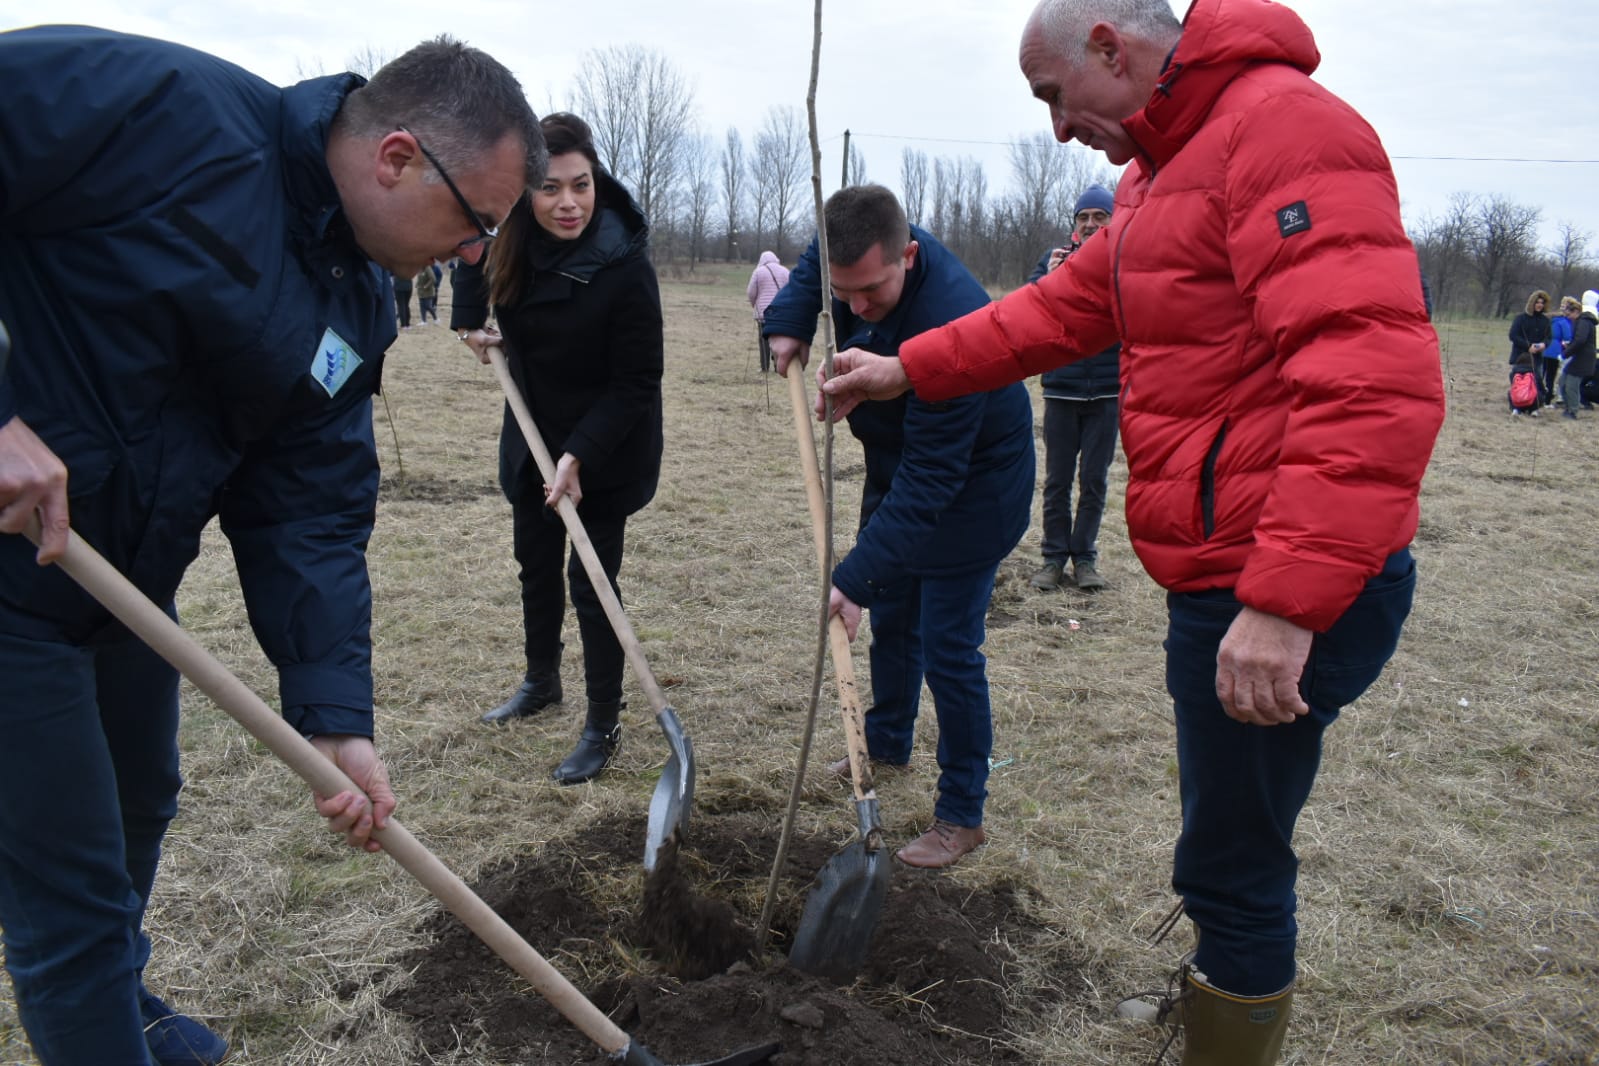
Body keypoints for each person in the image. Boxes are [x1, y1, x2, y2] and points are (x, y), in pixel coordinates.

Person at [818, 0, 1444, 1059]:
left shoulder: (1283, 133)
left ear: (1113, 45)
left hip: (1273, 582)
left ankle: (1225, 1020)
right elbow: (1059, 311)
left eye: (1056, 97)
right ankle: (1218, 994)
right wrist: (905, 364)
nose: (1059, 130)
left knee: (1232, 861)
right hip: (1226, 574)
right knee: (1225, 841)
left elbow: (1369, 381)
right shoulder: (1162, 174)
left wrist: (1284, 603)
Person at [0, 26, 542, 1066]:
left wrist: (333, 713)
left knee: (139, 800)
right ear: (397, 157)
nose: (475, 255)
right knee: (67, 890)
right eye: (476, 222)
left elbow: (312, 508)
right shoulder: (156, 111)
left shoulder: (353, 298)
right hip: (10, 576)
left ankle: (124, 997)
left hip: (119, 585)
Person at [762, 185, 1034, 868]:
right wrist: (788, 322)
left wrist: (852, 579)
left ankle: (961, 812)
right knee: (895, 617)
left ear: (908, 257)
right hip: (896, 462)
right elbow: (810, 262)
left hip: (972, 488)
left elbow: (931, 484)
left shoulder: (952, 320)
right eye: (841, 294)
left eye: (870, 293)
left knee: (947, 647)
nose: (854, 310)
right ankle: (885, 740)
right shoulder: (859, 249)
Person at [454, 113, 664, 787]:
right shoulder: (509, 236)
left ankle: (602, 720)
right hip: (532, 430)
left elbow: (637, 382)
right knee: (535, 564)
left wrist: (579, 454)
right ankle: (540, 681)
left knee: (592, 583)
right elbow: (468, 259)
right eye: (549, 188)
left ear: (595, 179)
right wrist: (471, 325)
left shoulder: (624, 265)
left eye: (580, 185)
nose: (567, 202)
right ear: (526, 192)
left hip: (605, 442)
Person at [1027, 183, 1119, 593]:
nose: (1090, 224)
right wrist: (1051, 279)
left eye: (1100, 217)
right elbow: (1028, 311)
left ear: (1113, 223)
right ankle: (1051, 558)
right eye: (1084, 217)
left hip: (1107, 391)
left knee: (1095, 481)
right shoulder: (1052, 262)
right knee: (1057, 481)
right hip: (1061, 389)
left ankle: (1085, 559)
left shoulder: (1124, 261)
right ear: (1074, 226)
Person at [746, 250, 792, 372]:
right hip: (782, 312)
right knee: (779, 339)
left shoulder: (758, 272)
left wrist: (754, 304)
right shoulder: (785, 271)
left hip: (763, 312)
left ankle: (764, 367)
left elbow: (751, 292)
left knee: (764, 340)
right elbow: (792, 290)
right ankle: (779, 366)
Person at [1558, 290, 1598, 420]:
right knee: (1563, 382)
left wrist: (1565, 354)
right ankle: (1568, 407)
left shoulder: (1584, 321)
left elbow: (1580, 341)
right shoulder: (1580, 321)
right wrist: (1569, 345)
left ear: (1575, 311)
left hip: (1583, 360)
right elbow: (1579, 340)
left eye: (1568, 314)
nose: (1567, 316)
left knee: (1571, 385)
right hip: (1577, 358)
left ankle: (1573, 411)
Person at [1509, 290, 1551, 396]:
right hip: (1520, 355)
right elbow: (1513, 335)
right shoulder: (1521, 318)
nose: (1540, 305)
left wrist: (1544, 344)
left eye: (1542, 303)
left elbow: (1549, 337)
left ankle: (1535, 402)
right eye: (1537, 302)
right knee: (1518, 379)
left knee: (1536, 379)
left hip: (1537, 356)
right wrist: (1528, 346)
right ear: (1532, 303)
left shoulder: (1545, 321)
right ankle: (1518, 401)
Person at [1545, 296, 1576, 406]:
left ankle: (1545, 395)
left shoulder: (1552, 320)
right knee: (1553, 375)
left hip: (1546, 349)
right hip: (1557, 350)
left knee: (1545, 374)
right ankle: (1550, 398)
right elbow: (1567, 337)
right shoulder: (1563, 322)